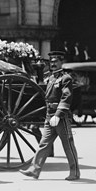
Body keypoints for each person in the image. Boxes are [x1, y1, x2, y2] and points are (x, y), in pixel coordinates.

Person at [20, 51, 80, 181]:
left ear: (61, 62)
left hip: (60, 117)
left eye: (55, 61)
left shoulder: (66, 78)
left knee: (68, 145)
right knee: (44, 143)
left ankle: (74, 172)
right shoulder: (51, 78)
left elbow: (66, 97)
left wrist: (58, 115)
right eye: (51, 61)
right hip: (49, 115)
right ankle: (34, 170)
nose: (52, 64)